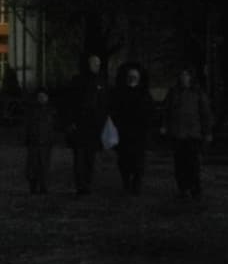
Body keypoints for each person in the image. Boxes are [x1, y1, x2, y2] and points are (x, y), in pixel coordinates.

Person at [57, 56, 108, 196]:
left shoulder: (101, 82)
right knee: (80, 157)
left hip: (93, 127)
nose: (97, 66)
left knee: (90, 158)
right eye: (94, 63)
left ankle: (87, 184)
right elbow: (68, 103)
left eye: (98, 63)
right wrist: (70, 122)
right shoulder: (77, 81)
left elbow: (104, 105)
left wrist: (101, 122)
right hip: (79, 126)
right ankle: (81, 185)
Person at [163, 68, 213, 203]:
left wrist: (207, 132)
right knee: (179, 164)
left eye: (186, 75)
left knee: (193, 164)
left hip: (193, 134)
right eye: (182, 75)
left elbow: (205, 113)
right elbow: (167, 110)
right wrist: (166, 126)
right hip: (178, 134)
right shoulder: (174, 92)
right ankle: (183, 188)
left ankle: (195, 189)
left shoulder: (197, 92)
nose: (184, 78)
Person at [107, 63, 155, 196]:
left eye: (135, 76)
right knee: (124, 161)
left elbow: (150, 113)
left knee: (139, 161)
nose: (132, 79)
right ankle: (126, 182)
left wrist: (146, 127)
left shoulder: (144, 94)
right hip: (123, 133)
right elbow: (114, 111)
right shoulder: (119, 93)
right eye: (130, 76)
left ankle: (136, 184)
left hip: (139, 134)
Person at [21, 89, 57, 194]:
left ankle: (43, 186)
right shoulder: (32, 111)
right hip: (35, 141)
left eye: (43, 97)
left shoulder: (50, 111)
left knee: (44, 165)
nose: (42, 99)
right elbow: (27, 126)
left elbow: (52, 127)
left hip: (45, 142)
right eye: (40, 97)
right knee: (33, 165)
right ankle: (34, 186)